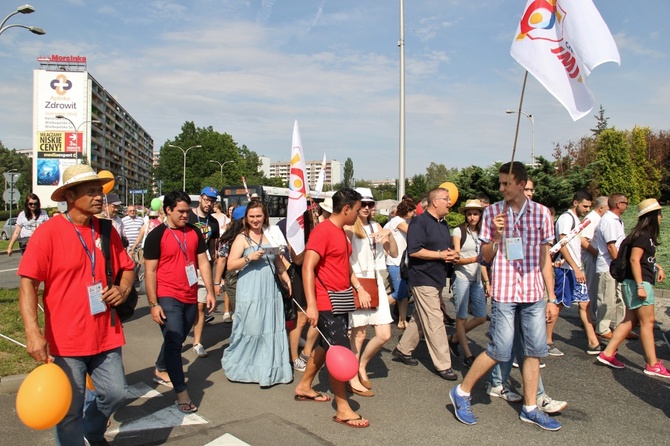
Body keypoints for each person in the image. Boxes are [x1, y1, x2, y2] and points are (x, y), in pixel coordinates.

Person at [18, 164, 135, 445]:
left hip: (105, 334)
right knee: (68, 410)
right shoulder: (48, 233)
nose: (99, 197)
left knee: (117, 392)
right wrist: (33, 333)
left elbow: (128, 268)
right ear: (70, 196)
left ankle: (91, 432)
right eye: (91, 191)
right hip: (65, 340)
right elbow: (28, 284)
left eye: (100, 192)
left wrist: (123, 287)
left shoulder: (106, 231)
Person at [449, 161, 562, 431]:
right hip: (505, 292)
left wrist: (552, 297)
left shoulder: (542, 213)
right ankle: (462, 393)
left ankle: (530, 407)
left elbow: (545, 257)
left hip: (533, 293)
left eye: (505, 183)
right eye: (500, 183)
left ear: (521, 185)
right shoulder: (492, 214)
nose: (501, 188)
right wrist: (497, 237)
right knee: (499, 351)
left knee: (534, 352)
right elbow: (485, 257)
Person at [294, 188, 371, 428]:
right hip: (325, 301)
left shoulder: (341, 234)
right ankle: (343, 408)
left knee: (324, 347)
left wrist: (359, 287)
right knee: (340, 351)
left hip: (341, 299)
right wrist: (312, 306)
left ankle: (305, 386)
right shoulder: (322, 231)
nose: (359, 214)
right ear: (346, 209)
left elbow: (343, 265)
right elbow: (308, 267)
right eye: (357, 210)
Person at [144, 190, 216, 413]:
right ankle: (181, 393)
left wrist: (211, 291)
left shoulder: (194, 232)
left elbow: (203, 262)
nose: (186, 215)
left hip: (190, 295)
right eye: (181, 212)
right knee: (175, 342)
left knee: (177, 335)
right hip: (167, 295)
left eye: (187, 211)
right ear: (168, 210)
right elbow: (150, 271)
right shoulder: (157, 235)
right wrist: (154, 303)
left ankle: (161, 367)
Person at [221, 200, 293, 387]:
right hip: (250, 288)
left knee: (269, 328)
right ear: (246, 218)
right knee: (251, 327)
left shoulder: (270, 236)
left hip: (270, 290)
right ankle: (243, 367)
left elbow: (278, 263)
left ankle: (267, 370)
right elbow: (229, 265)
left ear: (264, 217)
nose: (255, 220)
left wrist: (286, 280)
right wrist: (248, 258)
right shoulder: (241, 238)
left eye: (258, 216)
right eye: (252, 216)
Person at [392, 187, 460, 381]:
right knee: (435, 320)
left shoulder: (443, 223)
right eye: (446, 199)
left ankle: (402, 350)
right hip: (422, 278)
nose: (450, 203)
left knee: (421, 318)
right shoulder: (419, 222)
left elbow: (441, 249)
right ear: (435, 201)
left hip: (437, 278)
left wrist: (450, 254)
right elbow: (414, 251)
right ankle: (444, 364)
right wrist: (440, 255)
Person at [597, 199, 669, 377]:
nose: (661, 217)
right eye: (658, 213)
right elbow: (634, 260)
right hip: (638, 283)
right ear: (651, 216)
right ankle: (652, 364)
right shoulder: (644, 235)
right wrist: (640, 286)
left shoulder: (642, 234)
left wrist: (657, 267)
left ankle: (607, 353)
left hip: (635, 281)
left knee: (630, 320)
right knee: (648, 322)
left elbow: (643, 260)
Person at [345, 188, 397, 396]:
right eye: (363, 204)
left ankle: (361, 365)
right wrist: (357, 287)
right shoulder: (349, 227)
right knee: (358, 334)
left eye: (370, 204)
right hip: (358, 280)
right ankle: (352, 375)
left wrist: (390, 235)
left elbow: (393, 252)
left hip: (375, 281)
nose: (367, 208)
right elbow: (344, 261)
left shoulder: (377, 225)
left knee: (384, 334)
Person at [546, 190, 600, 356]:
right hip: (566, 269)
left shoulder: (576, 220)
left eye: (589, 207)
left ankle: (593, 342)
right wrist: (575, 268)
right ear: (575, 202)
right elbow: (563, 243)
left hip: (575, 268)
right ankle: (546, 341)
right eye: (584, 206)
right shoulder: (566, 218)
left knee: (585, 303)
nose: (586, 209)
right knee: (559, 304)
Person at [276, 207, 320, 372]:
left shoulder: (317, 225)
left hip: (316, 276)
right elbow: (297, 259)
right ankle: (294, 357)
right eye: (312, 210)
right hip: (298, 276)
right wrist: (310, 243)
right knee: (300, 320)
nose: (314, 212)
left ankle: (305, 351)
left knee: (315, 318)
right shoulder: (291, 227)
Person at [448, 199, 490, 368]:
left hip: (477, 278)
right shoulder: (459, 231)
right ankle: (468, 354)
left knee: (480, 317)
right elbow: (455, 258)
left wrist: (487, 281)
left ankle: (454, 339)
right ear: (465, 214)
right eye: (470, 214)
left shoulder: (482, 232)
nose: (472, 217)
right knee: (462, 317)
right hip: (462, 277)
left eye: (476, 213)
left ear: (480, 215)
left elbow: (485, 259)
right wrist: (473, 259)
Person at [593, 194, 632, 341]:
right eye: (626, 203)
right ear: (618, 204)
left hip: (615, 266)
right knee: (606, 299)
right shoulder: (609, 220)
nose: (627, 206)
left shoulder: (616, 220)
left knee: (620, 298)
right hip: (608, 266)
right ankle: (602, 328)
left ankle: (621, 327)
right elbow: (611, 246)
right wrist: (619, 265)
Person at [189, 187, 221, 357]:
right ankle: (176, 340)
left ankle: (197, 342)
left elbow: (213, 246)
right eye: (207, 200)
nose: (209, 204)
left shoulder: (214, 223)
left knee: (201, 305)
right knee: (185, 306)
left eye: (213, 201)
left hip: (204, 267)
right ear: (200, 198)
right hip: (186, 267)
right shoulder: (188, 216)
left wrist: (212, 268)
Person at [384, 199, 417, 329]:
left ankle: (402, 321)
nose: (414, 213)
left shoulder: (395, 221)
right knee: (399, 293)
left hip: (401, 262)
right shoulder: (398, 221)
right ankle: (376, 309)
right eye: (412, 211)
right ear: (406, 211)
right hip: (396, 261)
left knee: (403, 295)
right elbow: (413, 233)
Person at [214, 206, 246, 323]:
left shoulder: (255, 234)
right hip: (234, 278)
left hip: (251, 277)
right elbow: (221, 260)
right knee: (241, 312)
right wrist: (217, 282)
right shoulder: (229, 237)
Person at [581, 196, 609, 319]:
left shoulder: (597, 218)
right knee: (592, 287)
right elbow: (582, 240)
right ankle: (589, 316)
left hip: (594, 256)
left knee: (595, 287)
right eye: (609, 207)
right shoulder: (592, 218)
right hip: (591, 257)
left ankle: (591, 314)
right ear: (601, 208)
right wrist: (597, 254)